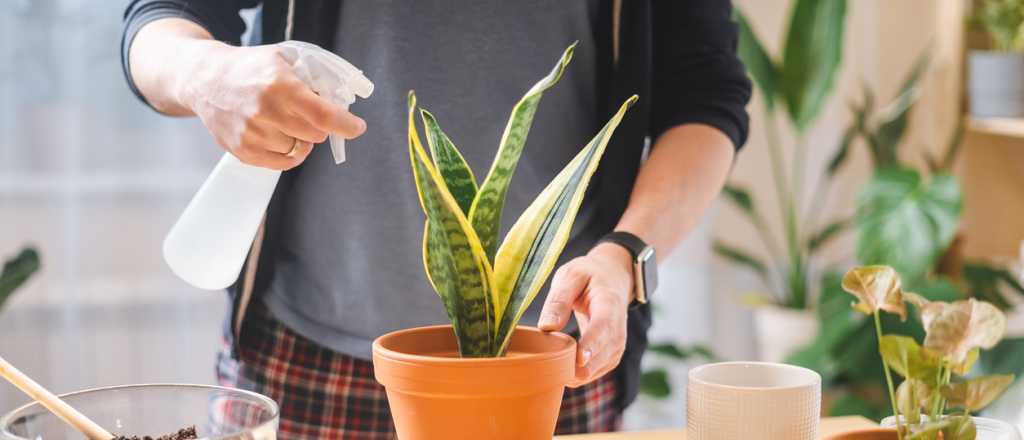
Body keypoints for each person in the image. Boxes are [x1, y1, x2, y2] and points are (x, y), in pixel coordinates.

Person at [121, 0, 751, 437]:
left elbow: (705, 95)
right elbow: (157, 20)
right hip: (302, 356)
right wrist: (206, 73)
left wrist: (626, 254)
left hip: (548, 360)